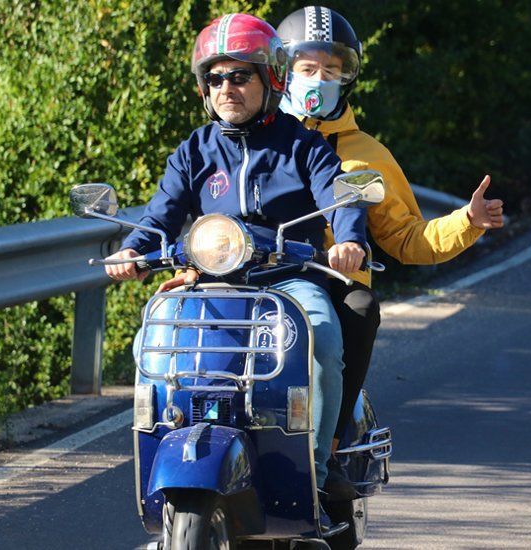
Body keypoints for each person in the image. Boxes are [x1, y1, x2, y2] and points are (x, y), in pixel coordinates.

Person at [102, 13, 366, 531]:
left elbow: (338, 194)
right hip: (213, 279)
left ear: (271, 79)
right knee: (151, 344)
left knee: (324, 338)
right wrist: (132, 250)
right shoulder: (194, 151)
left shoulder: (303, 145)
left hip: (288, 280)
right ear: (204, 88)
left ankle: (314, 464)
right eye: (215, 78)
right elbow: (160, 216)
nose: (227, 88)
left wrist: (350, 239)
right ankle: (174, 451)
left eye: (240, 76)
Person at [275, 6, 504, 498]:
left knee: (359, 308)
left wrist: (467, 221)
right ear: (282, 71)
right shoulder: (259, 141)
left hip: (331, 286)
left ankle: (330, 448)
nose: (320, 80)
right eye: (308, 68)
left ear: (348, 77)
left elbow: (406, 238)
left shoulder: (368, 154)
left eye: (332, 70)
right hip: (260, 279)